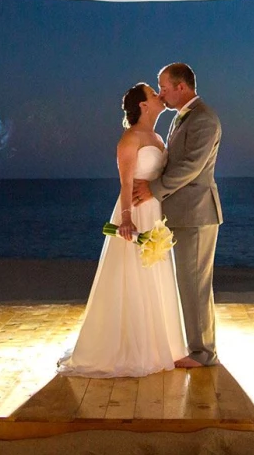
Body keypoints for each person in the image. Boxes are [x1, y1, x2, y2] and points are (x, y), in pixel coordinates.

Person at [57, 83, 188, 377]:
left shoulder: (156, 136)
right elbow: (126, 182)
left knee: (156, 272)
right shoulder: (129, 139)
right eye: (153, 94)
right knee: (133, 273)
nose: (159, 96)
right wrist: (126, 219)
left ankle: (160, 344)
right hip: (137, 209)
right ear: (143, 105)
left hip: (155, 212)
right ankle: (132, 347)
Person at [134, 63, 222, 367]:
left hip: (196, 214)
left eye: (164, 87)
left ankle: (203, 353)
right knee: (186, 282)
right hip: (181, 213)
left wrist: (154, 190)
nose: (161, 93)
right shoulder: (181, 119)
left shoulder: (204, 119)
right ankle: (192, 345)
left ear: (181, 87)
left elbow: (191, 167)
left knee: (195, 283)